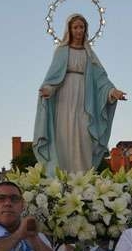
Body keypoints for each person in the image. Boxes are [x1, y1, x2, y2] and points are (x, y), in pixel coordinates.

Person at [34, 13, 127, 175]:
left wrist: (113, 91)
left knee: (84, 134)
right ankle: (63, 176)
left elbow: (101, 79)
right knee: (64, 135)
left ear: (86, 30)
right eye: (75, 27)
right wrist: (49, 89)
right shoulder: (62, 51)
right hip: (64, 99)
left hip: (86, 99)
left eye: (81, 27)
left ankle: (83, 176)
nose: (79, 30)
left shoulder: (89, 53)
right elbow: (54, 77)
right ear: (69, 30)